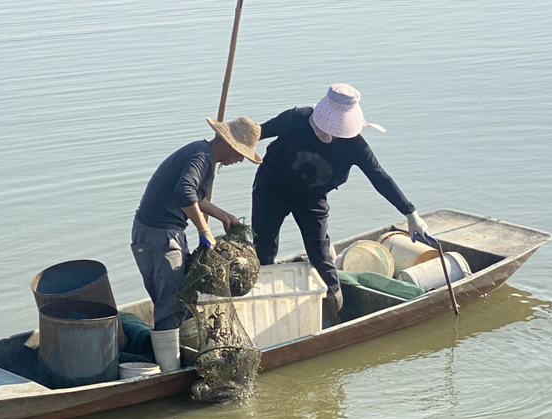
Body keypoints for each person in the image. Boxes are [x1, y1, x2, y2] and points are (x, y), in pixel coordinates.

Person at [252, 83, 430, 325]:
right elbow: (257, 132)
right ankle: (261, 309)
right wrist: (227, 146)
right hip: (271, 188)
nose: (331, 135)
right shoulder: (295, 119)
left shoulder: (354, 145)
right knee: (263, 248)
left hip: (312, 198)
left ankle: (335, 313)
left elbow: (379, 177)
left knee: (321, 257)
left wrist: (411, 213)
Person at [131, 116, 262, 371]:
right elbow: (184, 193)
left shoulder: (202, 154)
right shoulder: (201, 157)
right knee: (171, 303)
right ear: (231, 146)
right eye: (241, 155)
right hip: (159, 235)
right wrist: (203, 230)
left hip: (156, 233)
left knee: (175, 299)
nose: (238, 161)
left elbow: (195, 197)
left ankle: (173, 362)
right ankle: (169, 372)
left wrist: (222, 215)